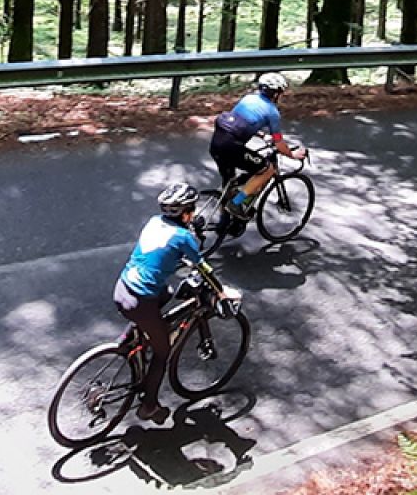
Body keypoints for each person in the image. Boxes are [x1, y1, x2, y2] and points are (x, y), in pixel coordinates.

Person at [116, 183, 210, 424]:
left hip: (123, 288)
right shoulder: (183, 237)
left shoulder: (154, 222)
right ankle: (149, 406)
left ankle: (128, 341)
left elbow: (163, 254)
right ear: (187, 212)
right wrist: (222, 292)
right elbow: (202, 267)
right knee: (162, 351)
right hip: (140, 301)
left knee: (166, 291)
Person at [209, 72, 307, 224]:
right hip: (232, 147)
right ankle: (236, 204)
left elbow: (239, 123)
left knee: (230, 183)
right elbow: (279, 144)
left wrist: (262, 136)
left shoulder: (249, 98)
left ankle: (224, 222)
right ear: (276, 94)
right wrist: (293, 155)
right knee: (267, 170)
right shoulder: (272, 112)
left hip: (217, 143)